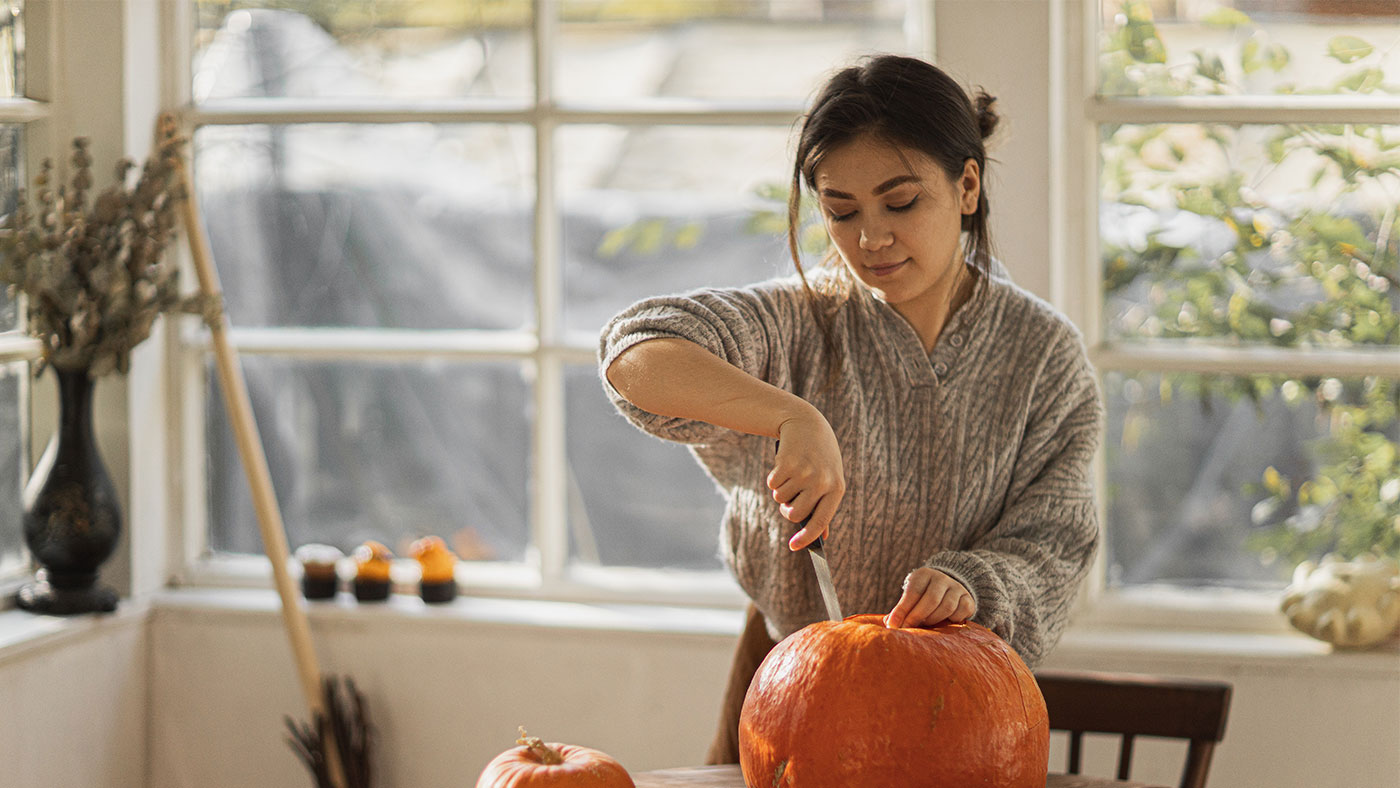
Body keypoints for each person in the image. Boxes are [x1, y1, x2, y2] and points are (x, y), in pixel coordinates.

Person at [597, 54, 1103, 765]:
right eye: (841, 212)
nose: (871, 239)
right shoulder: (796, 325)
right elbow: (634, 351)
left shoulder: (1044, 354)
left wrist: (970, 584)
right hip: (794, 685)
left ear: (966, 184)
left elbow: (1055, 542)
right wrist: (790, 415)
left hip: (964, 708)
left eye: (901, 203)